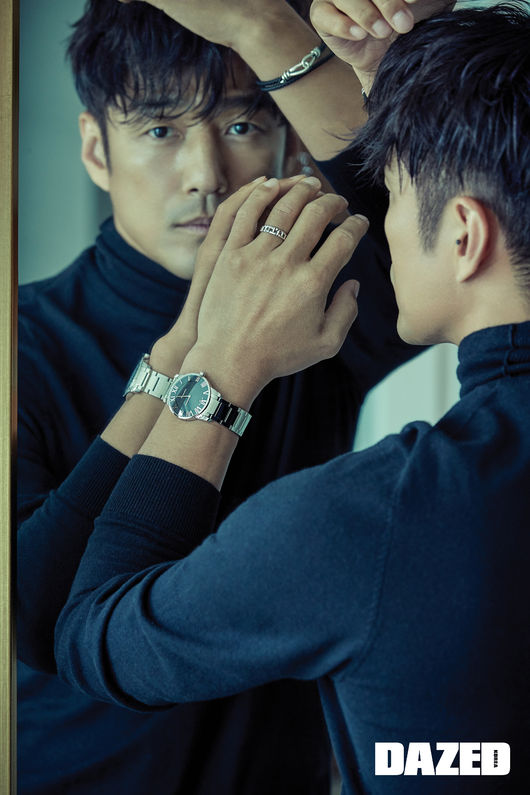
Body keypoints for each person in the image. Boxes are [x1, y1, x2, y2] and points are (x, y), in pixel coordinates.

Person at [54, 2, 530, 793]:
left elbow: (95, 636)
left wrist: (217, 365)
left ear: (463, 236)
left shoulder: (373, 515)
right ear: (96, 147)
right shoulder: (30, 342)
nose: (206, 176)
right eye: (161, 128)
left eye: (393, 193)